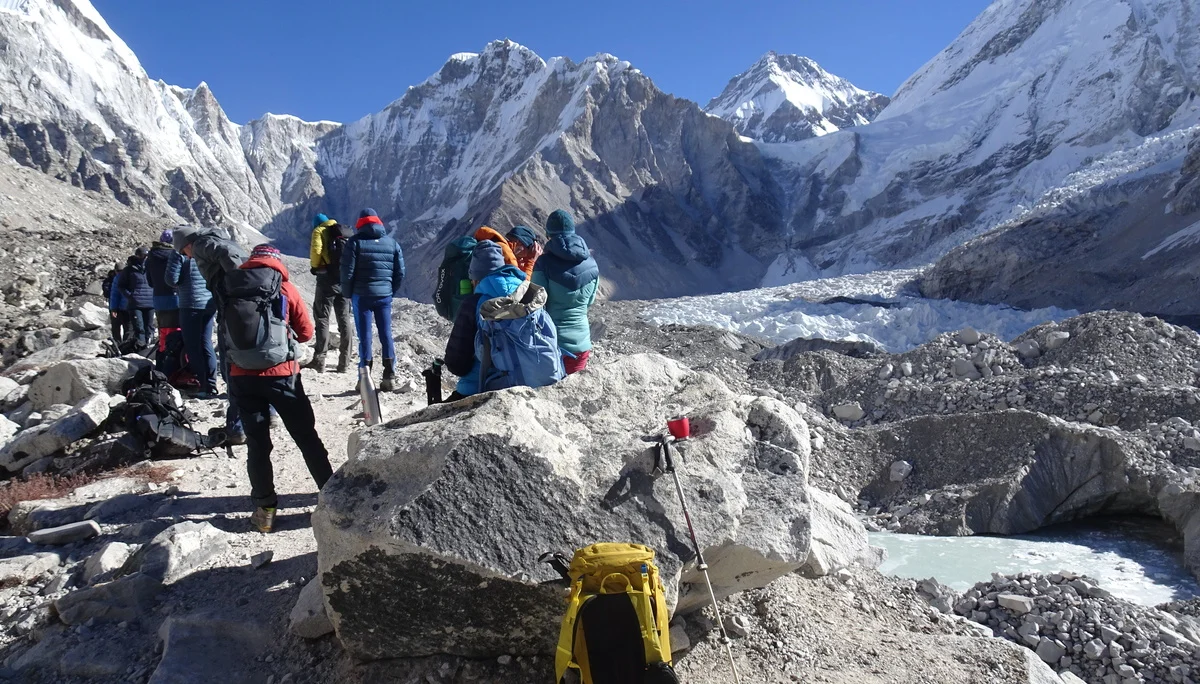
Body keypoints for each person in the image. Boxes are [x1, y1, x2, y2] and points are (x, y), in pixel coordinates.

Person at [226, 244, 332, 533]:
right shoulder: (284, 288)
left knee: (258, 444)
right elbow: (306, 332)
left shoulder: (232, 287)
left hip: (242, 376)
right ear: (277, 263)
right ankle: (333, 498)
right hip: (282, 376)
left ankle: (266, 512)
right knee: (306, 437)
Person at [171, 225, 249, 443]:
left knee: (231, 365)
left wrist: (237, 287)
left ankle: (237, 427)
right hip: (235, 307)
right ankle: (264, 414)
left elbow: (227, 256)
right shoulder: (220, 239)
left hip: (229, 307)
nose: (186, 256)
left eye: (183, 251)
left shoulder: (201, 245)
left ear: (186, 244)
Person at [443, 241, 526, 399]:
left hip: (480, 387)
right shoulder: (527, 293)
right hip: (527, 381)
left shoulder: (473, 304)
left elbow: (456, 364)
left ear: (475, 278)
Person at [340, 208, 405, 392]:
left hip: (362, 296)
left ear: (360, 223)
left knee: (365, 337)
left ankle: (364, 378)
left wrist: (348, 293)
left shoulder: (355, 242)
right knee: (386, 334)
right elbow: (400, 272)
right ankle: (389, 375)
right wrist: (389, 290)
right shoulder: (392, 243)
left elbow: (347, 272)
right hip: (384, 296)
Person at [531, 210, 600, 374]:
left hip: (551, 344)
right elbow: (589, 301)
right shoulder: (591, 263)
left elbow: (534, 304)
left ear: (549, 234)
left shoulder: (543, 263)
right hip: (582, 344)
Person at [165, 244, 218, 398]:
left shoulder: (180, 252)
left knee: (193, 346)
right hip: (209, 302)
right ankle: (212, 383)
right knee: (206, 342)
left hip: (190, 303)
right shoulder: (206, 249)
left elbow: (171, 279)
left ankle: (202, 385)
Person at [306, 213, 354, 373]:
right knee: (344, 319)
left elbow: (316, 250)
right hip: (344, 281)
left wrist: (315, 267)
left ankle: (319, 361)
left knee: (322, 318)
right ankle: (344, 363)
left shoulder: (319, 230)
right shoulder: (342, 232)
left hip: (327, 280)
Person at [145, 230, 181, 364]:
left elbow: (150, 282)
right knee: (176, 331)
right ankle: (174, 363)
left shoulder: (150, 257)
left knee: (163, 331)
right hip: (175, 298)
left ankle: (162, 361)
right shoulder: (175, 255)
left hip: (158, 299)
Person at [119, 247, 156, 349]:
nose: (144, 258)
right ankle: (141, 348)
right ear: (137, 256)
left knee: (149, 327)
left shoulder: (151, 268)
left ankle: (148, 348)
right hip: (136, 304)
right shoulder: (129, 270)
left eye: (146, 256)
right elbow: (121, 286)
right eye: (142, 255)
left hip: (150, 303)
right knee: (139, 328)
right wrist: (130, 295)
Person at [103, 263, 129, 348]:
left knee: (127, 328)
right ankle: (117, 345)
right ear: (115, 270)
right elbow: (106, 293)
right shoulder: (109, 280)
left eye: (122, 271)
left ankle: (125, 345)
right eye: (118, 271)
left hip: (124, 307)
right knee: (116, 327)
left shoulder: (127, 277)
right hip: (115, 307)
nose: (120, 272)